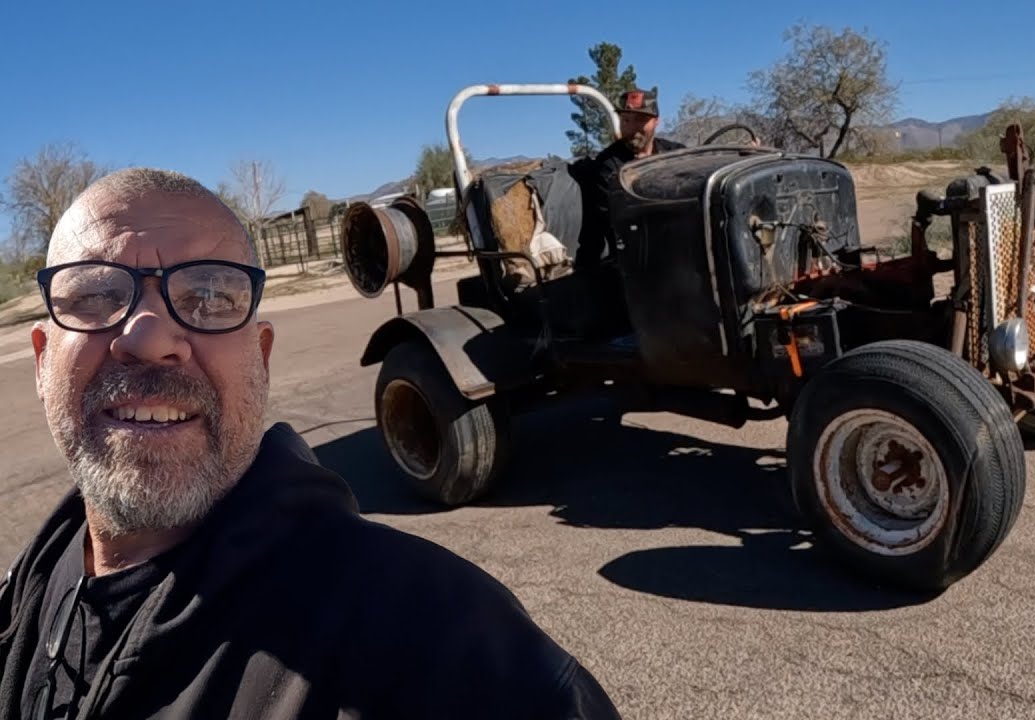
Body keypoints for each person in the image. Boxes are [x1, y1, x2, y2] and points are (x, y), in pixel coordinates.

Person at [0, 168, 621, 720]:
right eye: (95, 295)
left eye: (210, 296)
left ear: (262, 360)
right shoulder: (29, 582)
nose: (147, 337)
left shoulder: (435, 640)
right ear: (41, 360)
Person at [575, 88, 686, 267]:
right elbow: (617, 220)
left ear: (656, 122)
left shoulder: (676, 154)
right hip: (637, 260)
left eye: (641, 120)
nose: (633, 128)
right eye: (626, 120)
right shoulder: (608, 166)